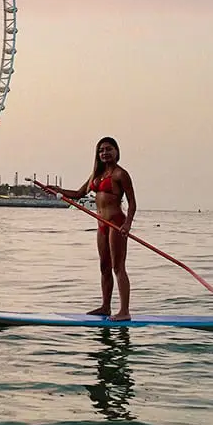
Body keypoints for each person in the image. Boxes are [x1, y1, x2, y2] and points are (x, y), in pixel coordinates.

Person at [60, 137, 136, 321]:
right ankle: (105, 307)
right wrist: (56, 189)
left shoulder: (120, 174)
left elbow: (133, 204)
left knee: (118, 267)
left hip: (116, 223)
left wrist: (127, 225)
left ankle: (124, 311)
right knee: (104, 267)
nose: (105, 153)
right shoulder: (96, 174)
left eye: (109, 149)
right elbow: (79, 194)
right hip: (101, 224)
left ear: (116, 152)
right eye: (101, 150)